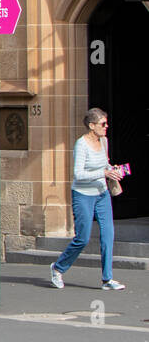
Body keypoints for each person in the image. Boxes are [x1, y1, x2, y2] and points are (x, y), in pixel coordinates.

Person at [51, 108, 127, 291]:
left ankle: (107, 279)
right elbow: (78, 174)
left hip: (102, 194)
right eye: (103, 124)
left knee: (108, 235)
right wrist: (103, 172)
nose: (106, 126)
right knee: (83, 238)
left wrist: (113, 170)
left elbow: (105, 163)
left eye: (106, 123)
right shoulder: (81, 144)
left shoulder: (104, 141)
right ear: (91, 126)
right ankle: (58, 268)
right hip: (83, 195)